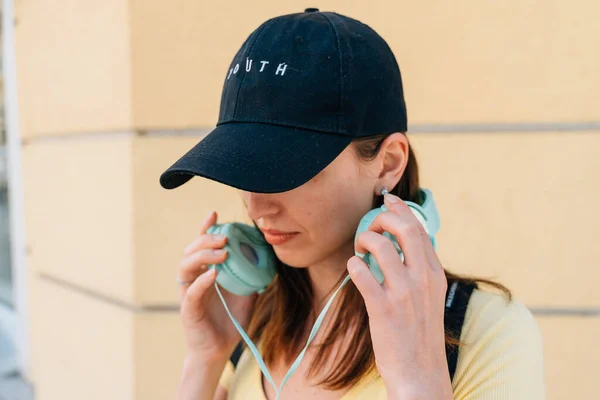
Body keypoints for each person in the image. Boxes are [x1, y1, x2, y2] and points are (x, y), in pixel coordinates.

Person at [160, 8, 546, 400]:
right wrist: (204, 360)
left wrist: (416, 381)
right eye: (242, 169)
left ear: (389, 162)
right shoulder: (250, 320)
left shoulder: (486, 332)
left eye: (288, 171)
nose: (258, 208)